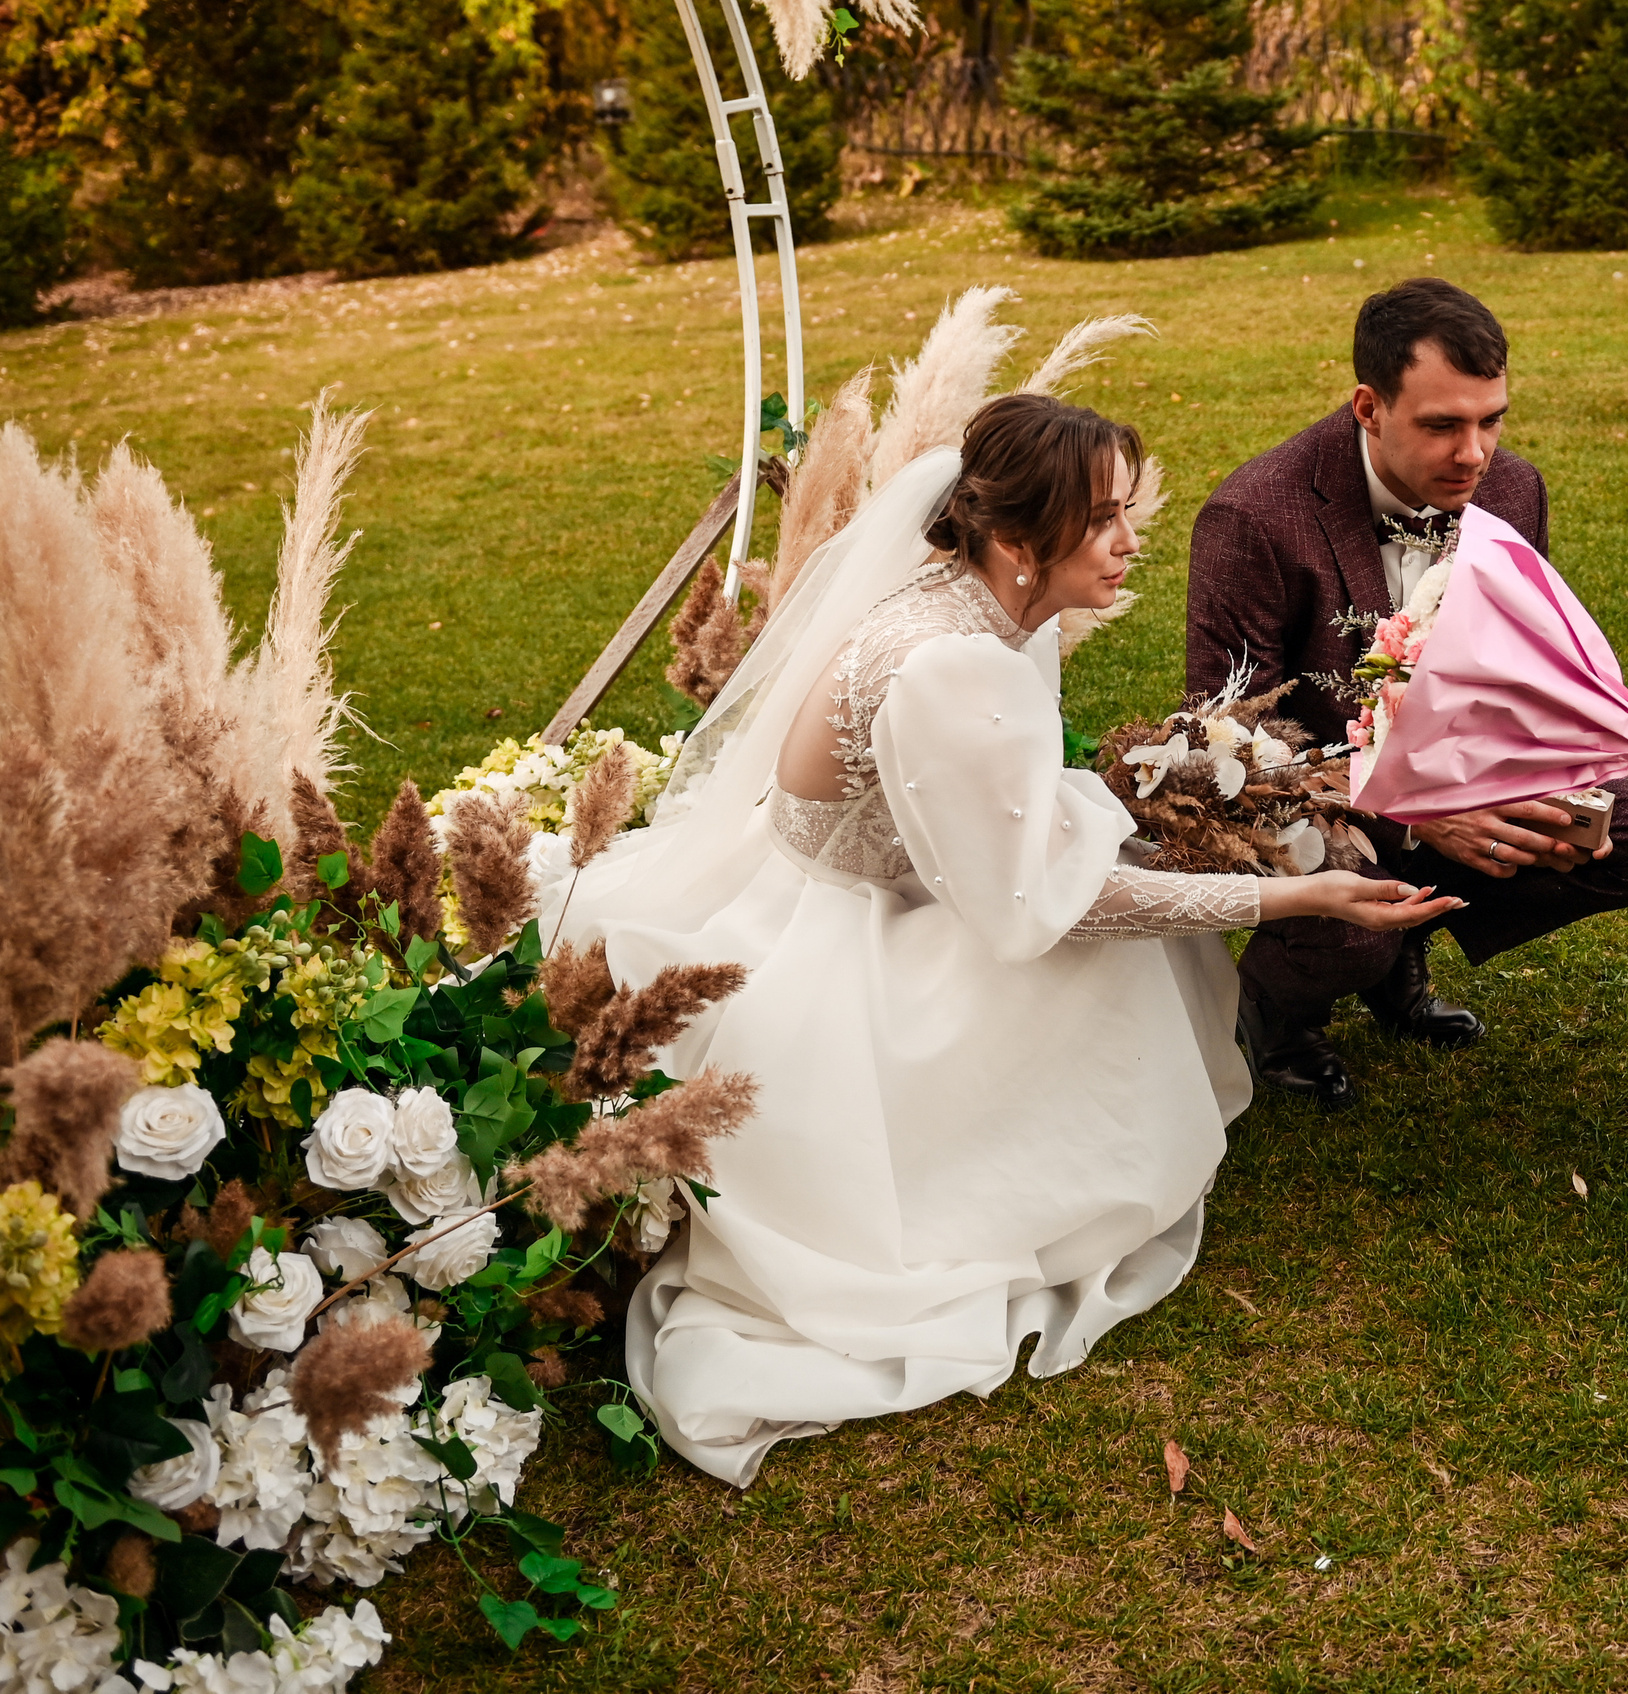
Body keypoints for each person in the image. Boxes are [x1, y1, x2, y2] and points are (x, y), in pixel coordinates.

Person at [548, 394, 1454, 1484]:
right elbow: (1049, 911)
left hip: (831, 889)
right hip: (840, 961)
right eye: (1106, 519)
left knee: (1131, 906)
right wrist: (1299, 901)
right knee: (1117, 962)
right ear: (1020, 541)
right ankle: (1040, 1179)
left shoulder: (970, 602)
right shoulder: (952, 666)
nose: (1131, 541)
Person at [1188, 278, 1628, 1107]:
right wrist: (1410, 811)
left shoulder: (1513, 490)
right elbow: (1225, 739)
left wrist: (1562, 771)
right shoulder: (1254, 517)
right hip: (1321, 798)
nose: (1475, 453)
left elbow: (1522, 663)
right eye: (1442, 425)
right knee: (1353, 926)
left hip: (1472, 768)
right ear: (1369, 406)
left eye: (1491, 419)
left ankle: (1410, 942)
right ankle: (1281, 1007)